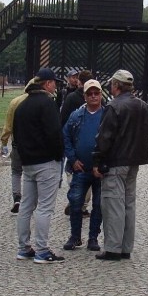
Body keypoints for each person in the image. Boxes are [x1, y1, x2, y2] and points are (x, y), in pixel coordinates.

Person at [92, 69, 148, 261]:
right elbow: (147, 134)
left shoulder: (114, 107)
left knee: (113, 204)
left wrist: (97, 160)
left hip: (116, 161)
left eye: (112, 84)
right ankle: (126, 246)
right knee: (128, 204)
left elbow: (105, 138)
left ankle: (113, 247)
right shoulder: (142, 106)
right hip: (134, 162)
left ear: (116, 86)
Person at [13, 67, 65, 264]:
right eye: (54, 83)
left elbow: (17, 136)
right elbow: (54, 133)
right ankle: (42, 250)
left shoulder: (22, 105)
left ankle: (23, 247)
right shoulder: (47, 104)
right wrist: (58, 155)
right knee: (45, 207)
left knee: (26, 206)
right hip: (46, 162)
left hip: (28, 164)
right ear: (47, 83)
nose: (55, 87)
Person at [62, 79, 105, 252]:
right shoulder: (76, 115)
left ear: (101, 94)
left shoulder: (107, 115)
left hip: (100, 170)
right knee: (75, 202)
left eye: (97, 93)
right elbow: (66, 137)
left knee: (99, 204)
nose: (93, 96)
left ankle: (93, 237)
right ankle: (75, 236)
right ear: (85, 96)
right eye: (90, 93)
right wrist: (72, 159)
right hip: (80, 167)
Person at [0, 77, 41, 214]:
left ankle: (17, 197)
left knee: (16, 172)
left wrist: (4, 142)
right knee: (33, 174)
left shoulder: (15, 102)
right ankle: (31, 201)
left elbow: (8, 125)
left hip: (17, 143)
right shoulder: (40, 102)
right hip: (35, 145)